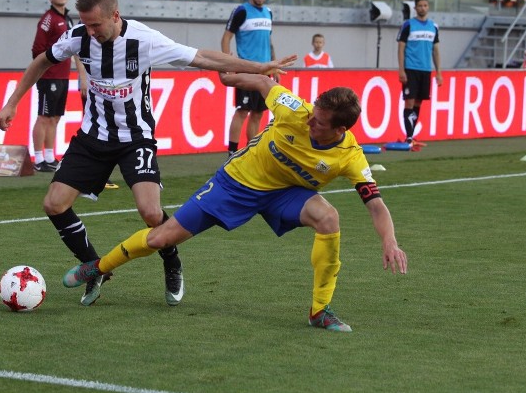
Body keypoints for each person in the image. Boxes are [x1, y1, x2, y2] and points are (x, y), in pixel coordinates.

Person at [0, 0, 295, 307]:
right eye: (86, 24)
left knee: (151, 212)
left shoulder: (144, 40)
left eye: (96, 25)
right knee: (54, 204)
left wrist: (258, 67)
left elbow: (203, 57)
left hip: (136, 136)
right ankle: (94, 268)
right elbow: (41, 60)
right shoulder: (78, 36)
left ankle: (172, 260)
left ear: (115, 16)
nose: (90, 32)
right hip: (93, 136)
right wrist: (12, 103)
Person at [62, 76, 408, 331]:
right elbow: (261, 80)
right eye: (312, 113)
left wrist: (389, 240)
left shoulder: (350, 156)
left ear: (339, 130)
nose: (309, 120)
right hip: (235, 183)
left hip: (284, 194)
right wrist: (230, 74)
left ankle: (320, 311)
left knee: (328, 217)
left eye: (317, 121)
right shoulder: (294, 109)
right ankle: (99, 267)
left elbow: (374, 203)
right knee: (160, 239)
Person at [222, 0, 274, 156]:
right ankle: (232, 152)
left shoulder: (268, 12)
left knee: (258, 113)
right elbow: (226, 38)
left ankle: (251, 151)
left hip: (265, 71)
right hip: (247, 69)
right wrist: (227, 63)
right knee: (243, 110)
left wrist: (273, 65)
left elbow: (269, 40)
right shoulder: (242, 11)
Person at [31, 0, 76, 173]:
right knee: (44, 116)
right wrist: (46, 66)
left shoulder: (69, 19)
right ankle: (38, 157)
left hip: (63, 76)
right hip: (49, 76)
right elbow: (37, 49)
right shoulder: (48, 19)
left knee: (55, 118)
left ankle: (50, 156)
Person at [397, 0, 441, 146]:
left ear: (428, 7)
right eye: (420, 6)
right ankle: (409, 137)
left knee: (418, 102)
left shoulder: (433, 27)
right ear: (415, 8)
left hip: (425, 70)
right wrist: (401, 70)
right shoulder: (408, 25)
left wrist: (439, 72)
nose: (423, 8)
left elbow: (435, 50)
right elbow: (401, 47)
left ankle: (411, 136)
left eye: (425, 5)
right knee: (409, 102)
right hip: (411, 68)